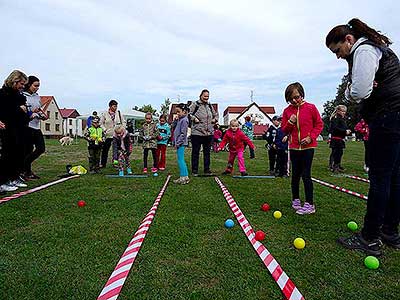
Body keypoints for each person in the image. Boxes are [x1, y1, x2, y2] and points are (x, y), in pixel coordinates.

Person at [326, 18, 400, 255]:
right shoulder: (378, 50)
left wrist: (349, 90)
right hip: (395, 116)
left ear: (349, 40)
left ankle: (369, 237)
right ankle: (390, 231)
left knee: (381, 179)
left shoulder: (365, 50)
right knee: (395, 178)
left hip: (387, 117)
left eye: (337, 50)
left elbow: (358, 90)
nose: (338, 56)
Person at [281, 82, 323, 215]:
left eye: (297, 97)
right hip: (294, 148)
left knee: (306, 175)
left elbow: (319, 124)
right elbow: (284, 130)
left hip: (308, 147)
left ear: (302, 94)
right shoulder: (287, 111)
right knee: (295, 175)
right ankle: (295, 199)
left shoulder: (311, 108)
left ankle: (310, 204)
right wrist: (290, 122)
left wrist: (311, 137)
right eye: (291, 98)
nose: (294, 100)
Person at [0, 70, 29, 192]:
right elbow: (6, 112)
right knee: (7, 155)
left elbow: (23, 114)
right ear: (14, 81)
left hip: (19, 128)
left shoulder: (20, 96)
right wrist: (19, 109)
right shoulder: (3, 94)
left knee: (18, 153)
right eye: (21, 83)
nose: (23, 86)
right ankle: (3, 181)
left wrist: (24, 112)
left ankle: (13, 177)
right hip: (6, 128)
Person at [22, 76, 47, 180]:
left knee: (41, 148)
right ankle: (27, 171)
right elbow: (22, 112)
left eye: (38, 86)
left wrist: (43, 115)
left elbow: (39, 110)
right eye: (35, 86)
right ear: (29, 84)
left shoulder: (37, 96)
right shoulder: (23, 96)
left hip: (36, 126)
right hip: (27, 126)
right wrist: (32, 113)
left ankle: (24, 167)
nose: (37, 88)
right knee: (28, 150)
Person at [189, 89, 219, 176]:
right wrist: (194, 118)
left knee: (207, 152)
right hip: (197, 133)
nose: (206, 98)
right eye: (205, 96)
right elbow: (188, 113)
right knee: (196, 152)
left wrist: (215, 119)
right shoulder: (195, 104)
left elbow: (216, 114)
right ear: (200, 96)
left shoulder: (209, 105)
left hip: (209, 133)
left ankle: (207, 170)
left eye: (207, 96)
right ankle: (195, 170)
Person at [100, 100, 125, 168]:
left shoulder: (119, 113)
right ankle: (103, 163)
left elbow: (123, 122)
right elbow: (101, 123)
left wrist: (121, 129)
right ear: (110, 106)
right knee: (105, 150)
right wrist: (105, 130)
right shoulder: (104, 113)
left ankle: (116, 163)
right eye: (114, 106)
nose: (116, 107)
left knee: (117, 150)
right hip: (108, 135)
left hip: (117, 135)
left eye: (116, 106)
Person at [328, 105, 352, 173]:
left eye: (345, 111)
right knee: (336, 152)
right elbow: (335, 128)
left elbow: (342, 127)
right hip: (336, 139)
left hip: (340, 139)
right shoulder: (335, 118)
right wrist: (344, 131)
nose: (344, 113)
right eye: (342, 111)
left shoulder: (342, 119)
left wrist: (346, 131)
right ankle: (334, 166)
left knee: (340, 153)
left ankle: (338, 165)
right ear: (338, 111)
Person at [173, 103, 190, 184]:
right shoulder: (180, 119)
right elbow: (173, 127)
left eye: (178, 112)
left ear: (185, 112)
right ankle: (185, 176)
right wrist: (175, 120)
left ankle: (183, 177)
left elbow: (183, 133)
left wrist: (178, 143)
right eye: (176, 112)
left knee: (180, 160)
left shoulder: (184, 120)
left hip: (181, 143)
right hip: (179, 143)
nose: (177, 113)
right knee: (181, 159)